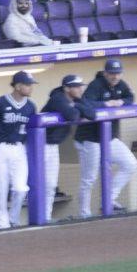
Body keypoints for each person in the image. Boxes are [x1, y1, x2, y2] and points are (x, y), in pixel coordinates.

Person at [75, 59, 137, 217]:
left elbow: (131, 98)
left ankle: (109, 199)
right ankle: (84, 214)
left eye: (118, 73)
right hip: (90, 138)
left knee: (131, 164)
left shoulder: (121, 85)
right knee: (89, 178)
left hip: (109, 138)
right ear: (105, 73)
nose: (115, 76)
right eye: (112, 73)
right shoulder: (95, 85)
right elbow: (86, 103)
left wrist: (122, 101)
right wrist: (107, 104)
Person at [0, 71, 37, 229]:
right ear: (18, 86)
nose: (30, 88)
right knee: (0, 189)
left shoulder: (30, 106)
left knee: (21, 188)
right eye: (28, 85)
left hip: (19, 148)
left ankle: (13, 219)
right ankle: (1, 224)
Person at [41, 74, 94, 221]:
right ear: (66, 88)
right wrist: (77, 107)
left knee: (50, 184)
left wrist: (76, 104)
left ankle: (45, 217)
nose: (79, 89)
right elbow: (72, 116)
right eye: (76, 87)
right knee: (37, 183)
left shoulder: (76, 99)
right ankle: (36, 218)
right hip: (38, 145)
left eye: (80, 86)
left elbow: (92, 114)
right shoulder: (57, 98)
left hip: (53, 145)